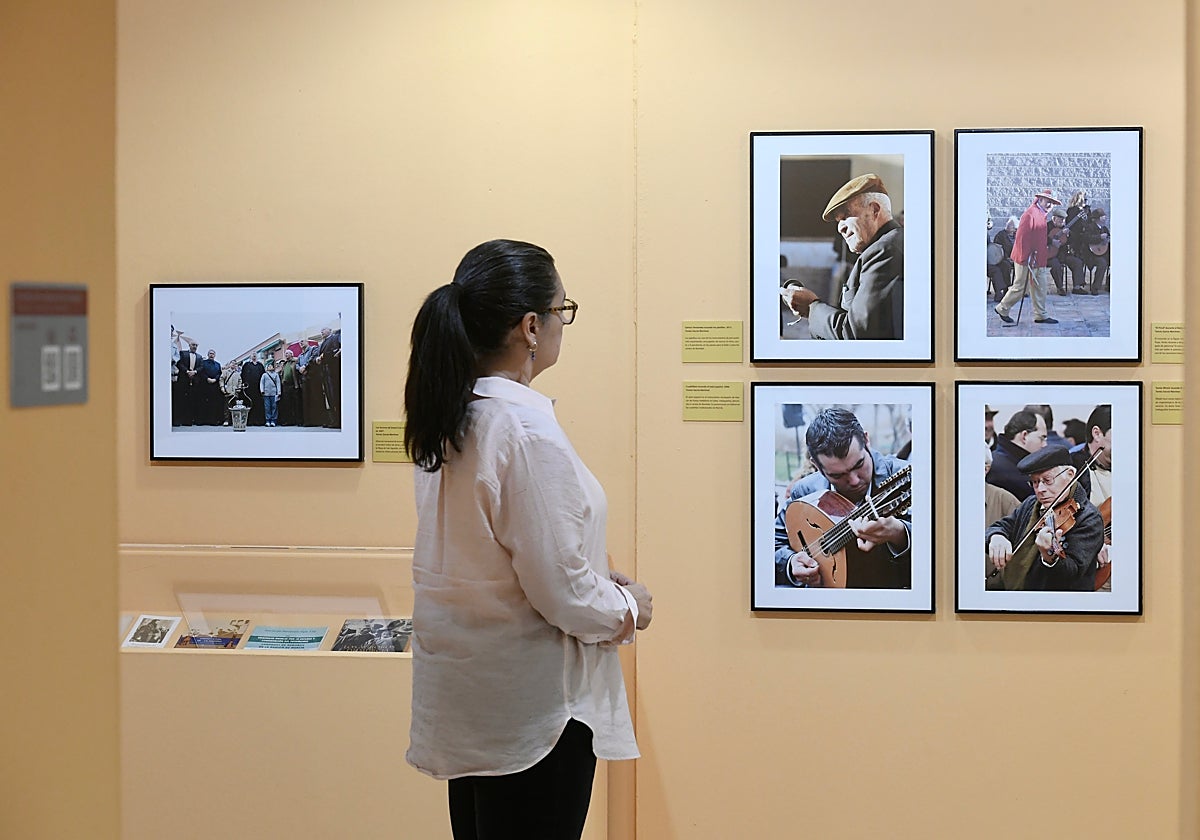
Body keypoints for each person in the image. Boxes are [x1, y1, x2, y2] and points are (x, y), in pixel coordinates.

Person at [402, 239, 653, 839]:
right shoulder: (522, 430)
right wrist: (626, 606)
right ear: (531, 327)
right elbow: (560, 592)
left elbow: (505, 560)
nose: (564, 326)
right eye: (563, 312)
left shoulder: (454, 420)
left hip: (477, 705)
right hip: (534, 719)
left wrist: (591, 571)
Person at [772, 407, 911, 589]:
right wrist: (791, 564)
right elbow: (771, 545)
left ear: (866, 440)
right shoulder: (805, 492)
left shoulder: (909, 478)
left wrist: (900, 534)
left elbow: (943, 549)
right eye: (837, 475)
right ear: (817, 466)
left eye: (859, 464)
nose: (854, 481)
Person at [779, 173, 903, 339]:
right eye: (838, 221)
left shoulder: (884, 250)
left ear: (874, 209)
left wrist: (812, 308)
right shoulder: (888, 244)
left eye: (846, 216)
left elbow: (855, 334)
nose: (840, 228)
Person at [986, 445, 1105, 591]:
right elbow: (1003, 525)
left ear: (1070, 474)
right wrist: (997, 537)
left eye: (1047, 480)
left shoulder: (1089, 518)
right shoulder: (1031, 503)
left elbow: (1071, 573)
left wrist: (1050, 555)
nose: (1040, 489)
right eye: (1035, 482)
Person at [994, 188, 1059, 325]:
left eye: (1052, 203)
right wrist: (1026, 259)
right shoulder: (1030, 214)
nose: (1050, 205)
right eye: (1048, 201)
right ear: (1040, 200)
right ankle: (1002, 308)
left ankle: (1040, 315)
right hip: (1026, 259)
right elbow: (1022, 238)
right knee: (1020, 287)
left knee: (1040, 286)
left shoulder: (1041, 214)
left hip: (1039, 259)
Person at [986, 409, 1047, 501]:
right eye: (1042, 438)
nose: (1045, 445)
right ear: (1024, 436)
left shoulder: (1002, 461)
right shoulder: (1004, 471)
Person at [1046, 207, 1085, 296]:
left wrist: (1068, 235)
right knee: (1056, 265)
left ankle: (1077, 287)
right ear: (1054, 218)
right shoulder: (1047, 227)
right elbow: (1040, 238)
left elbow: (1073, 241)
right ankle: (1060, 288)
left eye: (1063, 220)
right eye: (1060, 219)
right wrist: (1051, 241)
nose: (1062, 222)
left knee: (1077, 262)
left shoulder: (1065, 228)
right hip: (1050, 255)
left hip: (1062, 254)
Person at [1076, 207, 1111, 295]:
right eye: (1102, 216)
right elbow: (1086, 238)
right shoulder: (1089, 227)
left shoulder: (1105, 228)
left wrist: (1107, 240)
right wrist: (1099, 237)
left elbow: (1108, 239)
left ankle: (1109, 284)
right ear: (1097, 218)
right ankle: (1095, 287)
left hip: (1104, 253)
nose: (1104, 218)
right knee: (1102, 263)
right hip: (1091, 255)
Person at [314, 327, 342, 428]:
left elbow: (336, 352)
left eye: (323, 330)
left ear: (329, 330)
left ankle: (338, 420)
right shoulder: (322, 343)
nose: (321, 332)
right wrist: (318, 359)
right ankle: (333, 420)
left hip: (333, 371)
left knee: (335, 396)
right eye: (320, 330)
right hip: (325, 372)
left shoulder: (335, 338)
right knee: (329, 397)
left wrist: (323, 356)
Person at [988, 216, 1017, 304]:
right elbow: (996, 251)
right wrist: (1007, 258)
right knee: (1004, 266)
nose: (1008, 227)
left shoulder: (1017, 236)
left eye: (1011, 226)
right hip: (1001, 259)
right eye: (1008, 225)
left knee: (1009, 266)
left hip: (1014, 259)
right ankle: (1002, 290)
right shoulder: (1000, 235)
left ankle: (1015, 290)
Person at [173, 340, 202, 426]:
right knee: (181, 401)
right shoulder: (182, 353)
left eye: (196, 345)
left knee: (192, 401)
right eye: (193, 345)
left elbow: (201, 367)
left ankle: (190, 420)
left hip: (194, 382)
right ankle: (179, 420)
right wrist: (187, 371)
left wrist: (195, 372)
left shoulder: (199, 357)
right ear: (189, 345)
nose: (195, 347)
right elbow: (179, 364)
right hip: (183, 381)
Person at [197, 349, 223, 425]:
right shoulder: (203, 363)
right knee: (203, 403)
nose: (211, 355)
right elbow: (201, 372)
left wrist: (215, 379)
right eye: (210, 354)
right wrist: (207, 378)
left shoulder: (218, 364)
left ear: (215, 355)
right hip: (204, 385)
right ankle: (202, 421)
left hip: (214, 386)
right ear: (208, 355)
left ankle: (212, 421)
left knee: (213, 404)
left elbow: (219, 374)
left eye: (213, 354)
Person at [278, 349, 302, 426]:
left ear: (292, 354)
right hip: (286, 386)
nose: (286, 355)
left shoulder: (295, 362)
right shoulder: (285, 364)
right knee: (287, 404)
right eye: (285, 354)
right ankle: (289, 421)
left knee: (296, 404)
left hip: (293, 385)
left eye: (288, 353)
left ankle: (298, 421)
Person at [240, 354, 266, 426]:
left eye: (255, 355)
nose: (254, 356)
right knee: (249, 404)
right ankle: (249, 421)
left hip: (258, 389)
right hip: (249, 389)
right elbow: (243, 375)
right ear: (250, 356)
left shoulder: (260, 365)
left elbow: (264, 376)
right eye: (253, 355)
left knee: (258, 404)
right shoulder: (246, 365)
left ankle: (258, 421)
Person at [260, 359, 281, 427]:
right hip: (266, 393)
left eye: (271, 366)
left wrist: (279, 392)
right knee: (267, 407)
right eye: (269, 366)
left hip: (274, 393)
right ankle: (267, 420)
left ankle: (273, 420)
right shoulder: (264, 375)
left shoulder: (276, 374)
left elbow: (278, 383)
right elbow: (261, 383)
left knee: (274, 407)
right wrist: (262, 390)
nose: (270, 367)